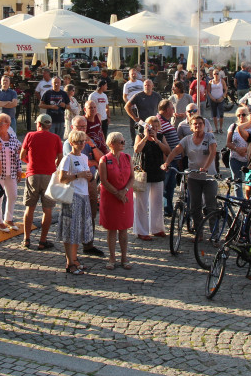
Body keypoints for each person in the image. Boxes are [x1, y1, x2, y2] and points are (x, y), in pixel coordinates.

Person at [164, 115, 217, 235]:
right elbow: (175, 151)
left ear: (204, 125)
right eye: (195, 124)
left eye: (200, 123)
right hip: (193, 177)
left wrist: (205, 168)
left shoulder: (209, 137)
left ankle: (215, 234)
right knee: (195, 207)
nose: (197, 125)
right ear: (191, 127)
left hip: (209, 177)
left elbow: (212, 152)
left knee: (211, 207)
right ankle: (199, 233)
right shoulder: (187, 139)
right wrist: (167, 163)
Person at [20, 114, 63, 250]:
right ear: (49, 125)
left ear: (38, 124)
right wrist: (54, 165)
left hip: (33, 174)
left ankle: (26, 239)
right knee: (47, 210)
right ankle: (42, 240)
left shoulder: (30, 135)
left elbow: (22, 155)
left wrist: (30, 163)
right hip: (49, 175)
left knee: (30, 208)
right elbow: (60, 157)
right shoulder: (55, 138)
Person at [55, 130, 94, 274]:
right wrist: (78, 175)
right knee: (70, 229)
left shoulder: (84, 157)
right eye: (78, 142)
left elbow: (87, 175)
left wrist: (88, 176)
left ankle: (75, 258)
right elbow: (62, 178)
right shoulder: (68, 158)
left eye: (83, 141)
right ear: (71, 143)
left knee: (79, 229)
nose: (82, 144)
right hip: (72, 196)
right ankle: (69, 262)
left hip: (84, 195)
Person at [99, 131, 135, 270]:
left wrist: (124, 191)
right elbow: (104, 180)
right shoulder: (104, 159)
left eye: (124, 141)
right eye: (121, 141)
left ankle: (124, 257)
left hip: (125, 197)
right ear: (112, 144)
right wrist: (117, 193)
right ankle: (112, 257)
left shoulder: (127, 157)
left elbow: (132, 177)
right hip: (110, 197)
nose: (123, 143)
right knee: (112, 229)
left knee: (124, 229)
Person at [132, 116, 169, 240]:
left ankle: (157, 228)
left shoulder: (161, 137)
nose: (154, 128)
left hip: (157, 172)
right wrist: (146, 137)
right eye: (152, 126)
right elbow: (137, 149)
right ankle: (141, 231)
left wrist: (157, 140)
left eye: (157, 126)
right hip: (143, 173)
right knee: (141, 203)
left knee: (157, 203)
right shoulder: (140, 136)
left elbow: (168, 151)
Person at [0, 113, 21, 233]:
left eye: (0, 123)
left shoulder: (13, 138)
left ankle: (9, 218)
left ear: (8, 125)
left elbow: (17, 155)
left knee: (13, 195)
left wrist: (19, 169)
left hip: (11, 171)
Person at [225, 107, 251, 196]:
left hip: (250, 159)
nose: (241, 117)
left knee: (250, 182)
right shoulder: (233, 127)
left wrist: (247, 149)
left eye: (243, 114)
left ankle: (249, 200)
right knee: (237, 183)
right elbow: (228, 143)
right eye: (238, 115)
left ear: (248, 115)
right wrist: (237, 149)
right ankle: (239, 201)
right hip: (235, 158)